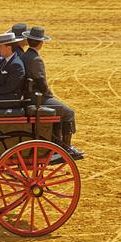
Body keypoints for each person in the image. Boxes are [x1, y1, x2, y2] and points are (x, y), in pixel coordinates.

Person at [20, 26, 82, 159]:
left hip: (28, 96)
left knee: (59, 110)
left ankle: (57, 143)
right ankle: (66, 147)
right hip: (38, 97)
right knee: (68, 112)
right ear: (41, 43)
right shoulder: (36, 59)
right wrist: (49, 94)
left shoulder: (25, 56)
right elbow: (41, 82)